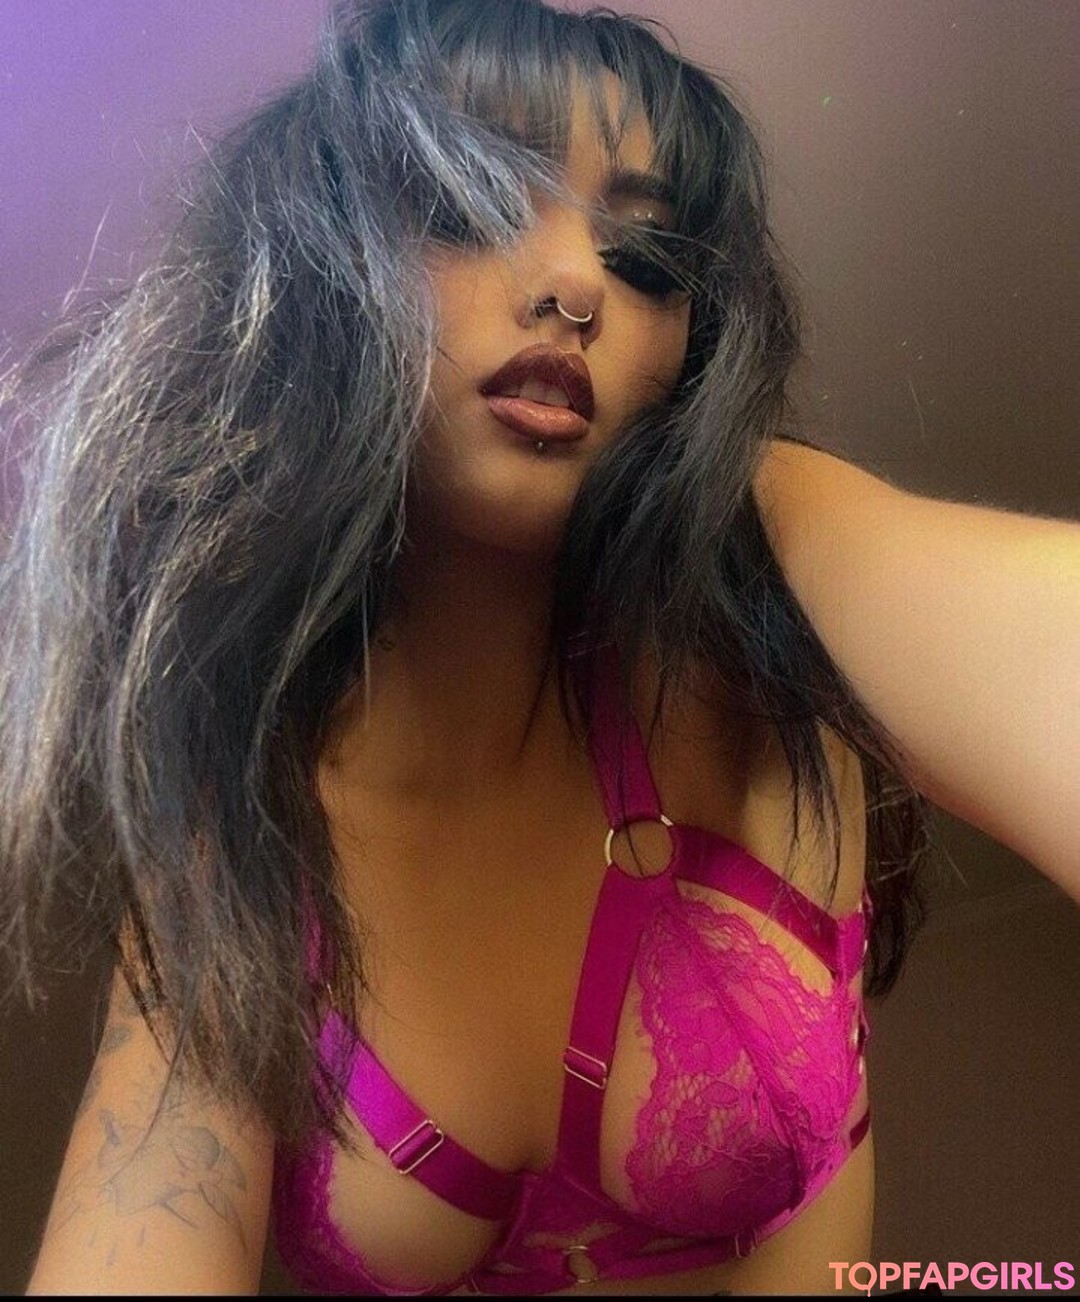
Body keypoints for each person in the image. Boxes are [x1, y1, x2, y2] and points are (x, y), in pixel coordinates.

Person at [1, 0, 1076, 1294]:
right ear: (322, 261)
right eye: (471, 202)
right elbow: (137, 1214)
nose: (575, 283)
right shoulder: (234, 822)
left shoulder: (774, 568)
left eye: (646, 254)